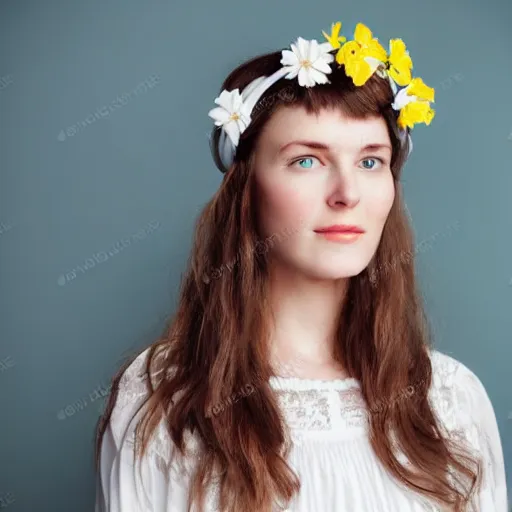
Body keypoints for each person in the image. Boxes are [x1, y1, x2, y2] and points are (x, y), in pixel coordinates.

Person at [94, 19, 508, 512]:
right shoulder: (165, 398)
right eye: (307, 161)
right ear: (246, 191)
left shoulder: (450, 400)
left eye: (371, 161)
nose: (347, 194)